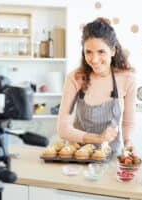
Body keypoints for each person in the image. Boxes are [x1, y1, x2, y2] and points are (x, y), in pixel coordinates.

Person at [57, 17, 136, 154]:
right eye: (88, 52)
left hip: (110, 155)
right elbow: (63, 128)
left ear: (113, 51)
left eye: (101, 52)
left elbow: (128, 123)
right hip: (78, 155)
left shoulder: (127, 79)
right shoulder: (75, 78)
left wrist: (128, 142)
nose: (94, 60)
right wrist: (98, 138)